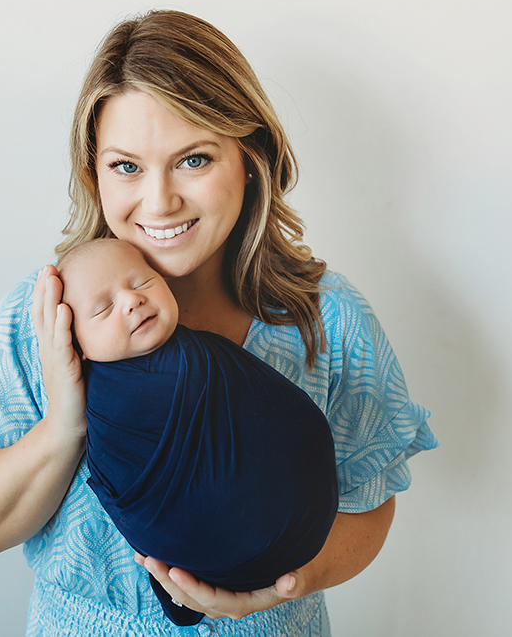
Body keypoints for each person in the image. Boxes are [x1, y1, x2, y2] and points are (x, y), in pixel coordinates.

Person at [0, 10, 438, 636]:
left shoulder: (324, 318)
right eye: (126, 166)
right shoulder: (44, 316)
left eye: (193, 160)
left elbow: (369, 505)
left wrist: (283, 583)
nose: (160, 200)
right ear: (93, 170)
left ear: (250, 157)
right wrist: (65, 423)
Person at [56, 237, 339, 626]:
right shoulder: (107, 401)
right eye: (103, 309)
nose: (131, 301)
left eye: (142, 282)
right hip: (202, 565)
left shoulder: (331, 309)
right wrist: (62, 422)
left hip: (297, 553)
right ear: (74, 343)